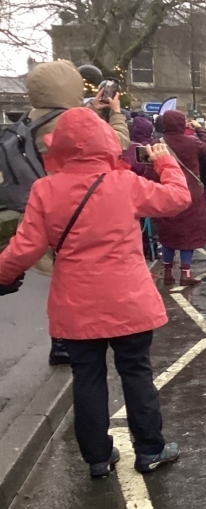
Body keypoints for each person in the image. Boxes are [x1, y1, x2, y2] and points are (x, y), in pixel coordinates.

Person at [0, 108, 187, 477]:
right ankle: (150, 450)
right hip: (128, 301)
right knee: (136, 373)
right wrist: (164, 160)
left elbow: (24, 248)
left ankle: (98, 458)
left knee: (87, 378)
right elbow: (177, 198)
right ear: (105, 143)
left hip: (76, 305)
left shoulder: (45, 190)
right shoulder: (124, 184)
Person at [14, 60, 131, 366]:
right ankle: (73, 340)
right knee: (73, 276)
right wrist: (115, 115)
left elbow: (69, 132)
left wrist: (89, 110)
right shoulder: (63, 120)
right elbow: (114, 145)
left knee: (61, 276)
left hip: (42, 202)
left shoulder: (31, 119)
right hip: (74, 203)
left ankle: (63, 341)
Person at [153, 110, 206, 286]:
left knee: (167, 233)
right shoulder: (192, 142)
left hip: (166, 191)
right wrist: (200, 129)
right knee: (189, 234)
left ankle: (167, 272)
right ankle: (186, 273)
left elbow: (150, 169)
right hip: (190, 193)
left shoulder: (157, 143)